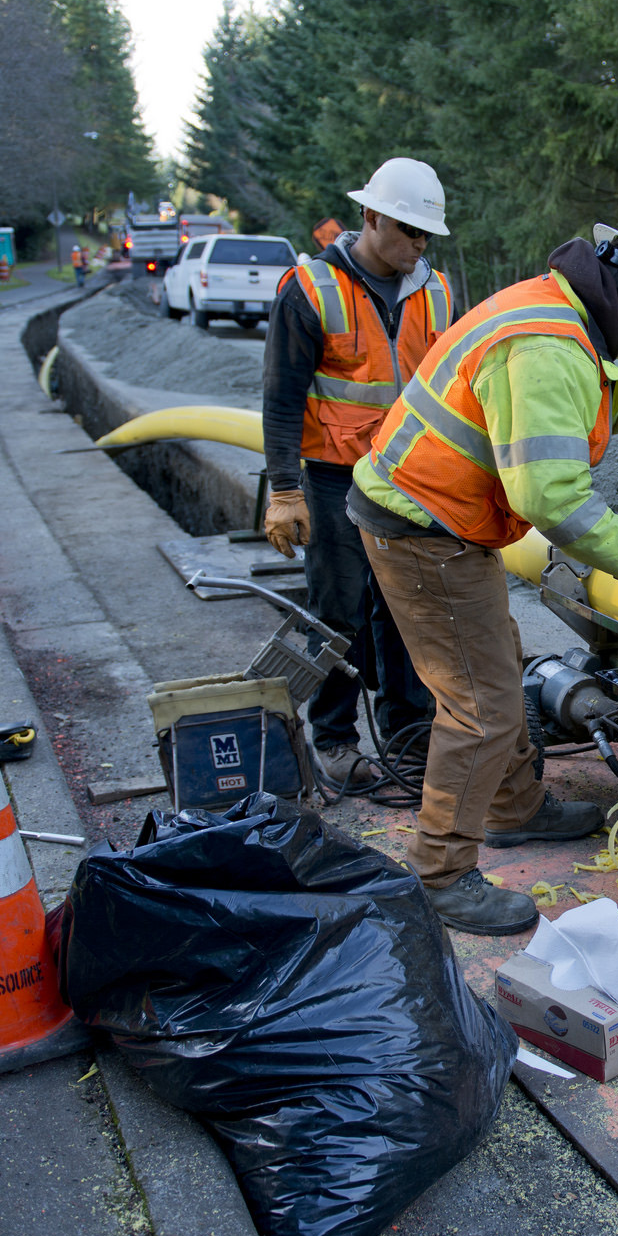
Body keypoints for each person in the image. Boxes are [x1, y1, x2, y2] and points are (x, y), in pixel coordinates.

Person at [349, 220, 618, 934]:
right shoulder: (550, 343)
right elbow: (550, 496)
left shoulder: (559, 315)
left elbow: (591, 399)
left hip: (440, 519)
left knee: (496, 664)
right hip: (423, 528)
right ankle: (440, 875)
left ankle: (515, 807)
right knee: (482, 705)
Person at [261, 158, 451, 787]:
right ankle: (335, 740)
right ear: (370, 217)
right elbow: (282, 398)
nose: (417, 245)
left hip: (411, 480)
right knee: (336, 612)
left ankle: (407, 736)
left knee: (407, 610)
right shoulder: (310, 289)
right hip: (335, 477)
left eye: (425, 235)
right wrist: (285, 491)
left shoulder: (439, 294)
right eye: (407, 230)